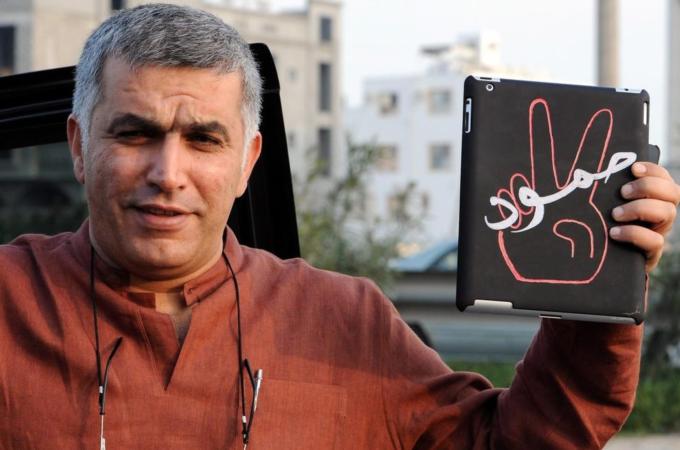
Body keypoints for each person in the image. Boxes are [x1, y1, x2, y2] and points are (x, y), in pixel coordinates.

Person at [0, 4, 678, 450]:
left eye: (204, 139)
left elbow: (515, 443)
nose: (168, 173)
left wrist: (596, 286)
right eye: (135, 134)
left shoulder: (339, 319)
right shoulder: (10, 302)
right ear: (79, 146)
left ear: (247, 163)